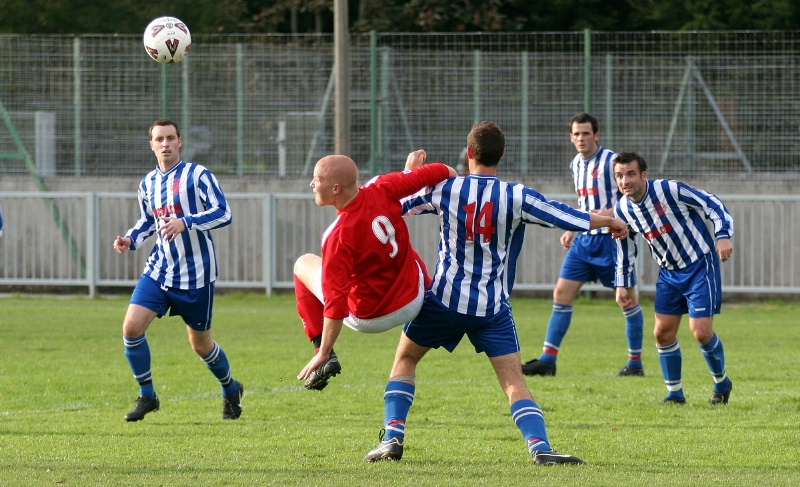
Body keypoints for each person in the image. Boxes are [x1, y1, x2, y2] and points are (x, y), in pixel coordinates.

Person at [363, 121, 629, 465]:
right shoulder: (516, 195)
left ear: (469, 153)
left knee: (406, 359)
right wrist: (609, 221)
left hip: (444, 299)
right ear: (502, 154)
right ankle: (540, 447)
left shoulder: (445, 188)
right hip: (492, 307)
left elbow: (390, 204)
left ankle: (393, 438)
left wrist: (407, 174)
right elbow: (565, 216)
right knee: (513, 380)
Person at [113, 118, 243, 422]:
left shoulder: (197, 175)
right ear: (152, 145)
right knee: (131, 328)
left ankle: (230, 388)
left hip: (196, 275)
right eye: (159, 139)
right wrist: (130, 239)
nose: (165, 144)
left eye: (170, 138)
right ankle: (147, 395)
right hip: (159, 270)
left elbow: (224, 213)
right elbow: (148, 220)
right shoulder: (147, 183)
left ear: (180, 142)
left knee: (201, 346)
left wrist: (187, 221)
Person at [294, 152, 457, 390]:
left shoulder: (337, 235)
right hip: (414, 301)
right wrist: (408, 174)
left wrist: (324, 351)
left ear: (336, 189)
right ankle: (437, 306)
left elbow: (335, 305)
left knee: (303, 263)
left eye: (317, 179)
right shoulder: (383, 186)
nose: (312, 184)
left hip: (370, 318)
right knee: (404, 251)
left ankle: (321, 351)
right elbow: (444, 170)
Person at [522, 112, 644, 378]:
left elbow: (631, 196)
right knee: (561, 294)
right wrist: (572, 228)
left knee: (626, 300)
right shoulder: (575, 164)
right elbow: (584, 205)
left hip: (613, 241)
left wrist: (607, 215)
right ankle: (548, 360)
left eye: (586, 133)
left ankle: (635, 363)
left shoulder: (612, 162)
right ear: (571, 137)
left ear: (596, 135)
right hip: (585, 243)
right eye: (576, 134)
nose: (581, 138)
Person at [612, 151, 734, 405]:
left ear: (644, 175)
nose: (625, 181)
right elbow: (625, 246)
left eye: (631, 174)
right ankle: (675, 394)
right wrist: (622, 283)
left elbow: (711, 203)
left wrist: (722, 234)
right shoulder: (622, 209)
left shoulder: (670, 190)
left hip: (700, 264)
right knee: (662, 334)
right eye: (619, 176)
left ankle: (722, 384)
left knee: (700, 332)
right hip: (668, 273)